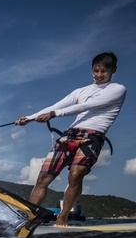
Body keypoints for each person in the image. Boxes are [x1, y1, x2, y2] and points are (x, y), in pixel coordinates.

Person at [15, 51, 126, 226]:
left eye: (103, 71)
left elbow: (86, 106)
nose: (99, 75)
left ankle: (63, 217)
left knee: (76, 175)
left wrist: (54, 114)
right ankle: (28, 218)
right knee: (44, 177)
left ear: (113, 70)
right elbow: (55, 106)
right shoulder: (80, 91)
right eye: (95, 71)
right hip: (70, 135)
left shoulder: (117, 89)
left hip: (92, 137)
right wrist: (28, 118)